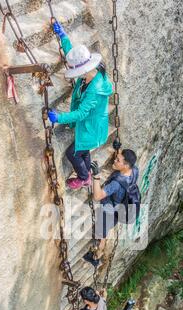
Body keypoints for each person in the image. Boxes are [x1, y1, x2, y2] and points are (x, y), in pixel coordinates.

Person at [48, 21, 113, 190]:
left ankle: (84, 177)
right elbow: (73, 54)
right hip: (90, 127)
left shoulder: (95, 89)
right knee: (82, 151)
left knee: (73, 153)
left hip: (92, 129)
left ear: (84, 70)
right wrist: (63, 36)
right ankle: (87, 175)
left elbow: (81, 113)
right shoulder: (89, 73)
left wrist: (59, 117)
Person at [83, 149, 139, 267]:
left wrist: (96, 176)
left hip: (108, 212)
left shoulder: (116, 184)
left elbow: (97, 196)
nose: (115, 160)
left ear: (125, 165)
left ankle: (96, 256)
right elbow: (123, 161)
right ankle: (98, 252)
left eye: (117, 160)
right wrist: (118, 150)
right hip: (118, 210)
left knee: (101, 236)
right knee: (103, 232)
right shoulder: (134, 171)